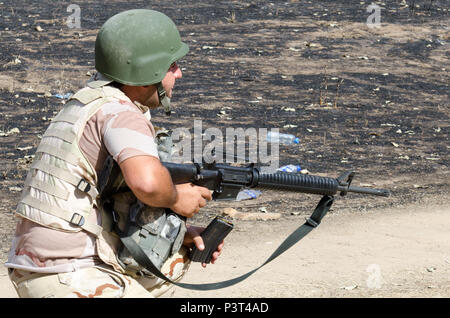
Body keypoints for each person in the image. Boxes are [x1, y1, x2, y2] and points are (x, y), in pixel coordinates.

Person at [5, 9, 223, 298]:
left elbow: (110, 202)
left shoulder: (87, 105)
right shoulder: (121, 113)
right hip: (67, 273)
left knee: (173, 260)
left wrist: (177, 232)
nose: (179, 73)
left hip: (41, 266)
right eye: (172, 65)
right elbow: (147, 184)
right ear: (150, 72)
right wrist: (177, 198)